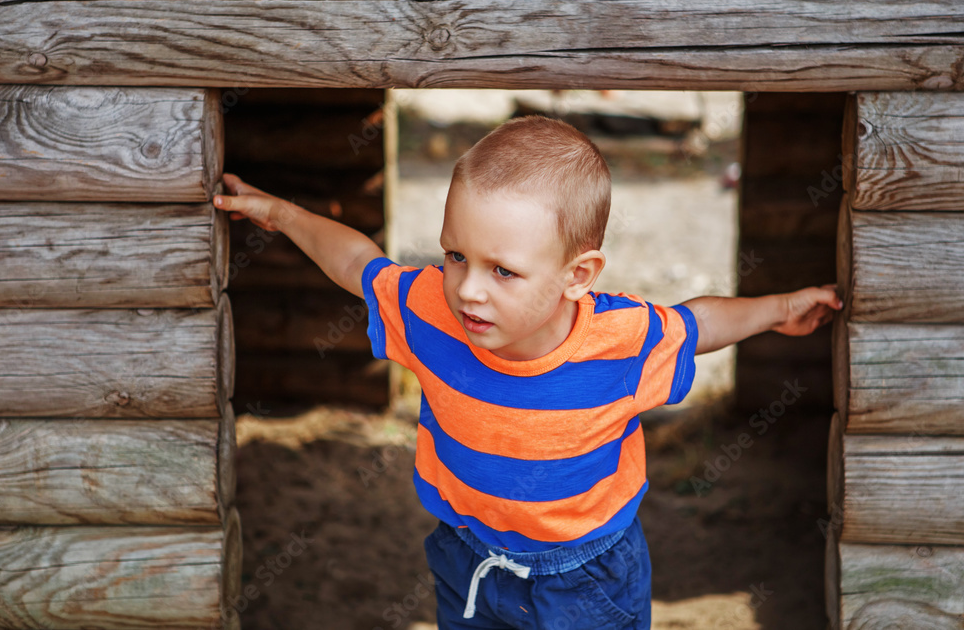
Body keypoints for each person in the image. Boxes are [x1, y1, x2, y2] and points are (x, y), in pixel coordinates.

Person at [213, 114, 841, 630]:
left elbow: (698, 324)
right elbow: (359, 263)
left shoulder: (618, 342)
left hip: (586, 581)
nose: (469, 291)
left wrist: (781, 309)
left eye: (502, 270)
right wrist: (283, 216)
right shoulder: (429, 310)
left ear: (578, 275)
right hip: (467, 560)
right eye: (455, 255)